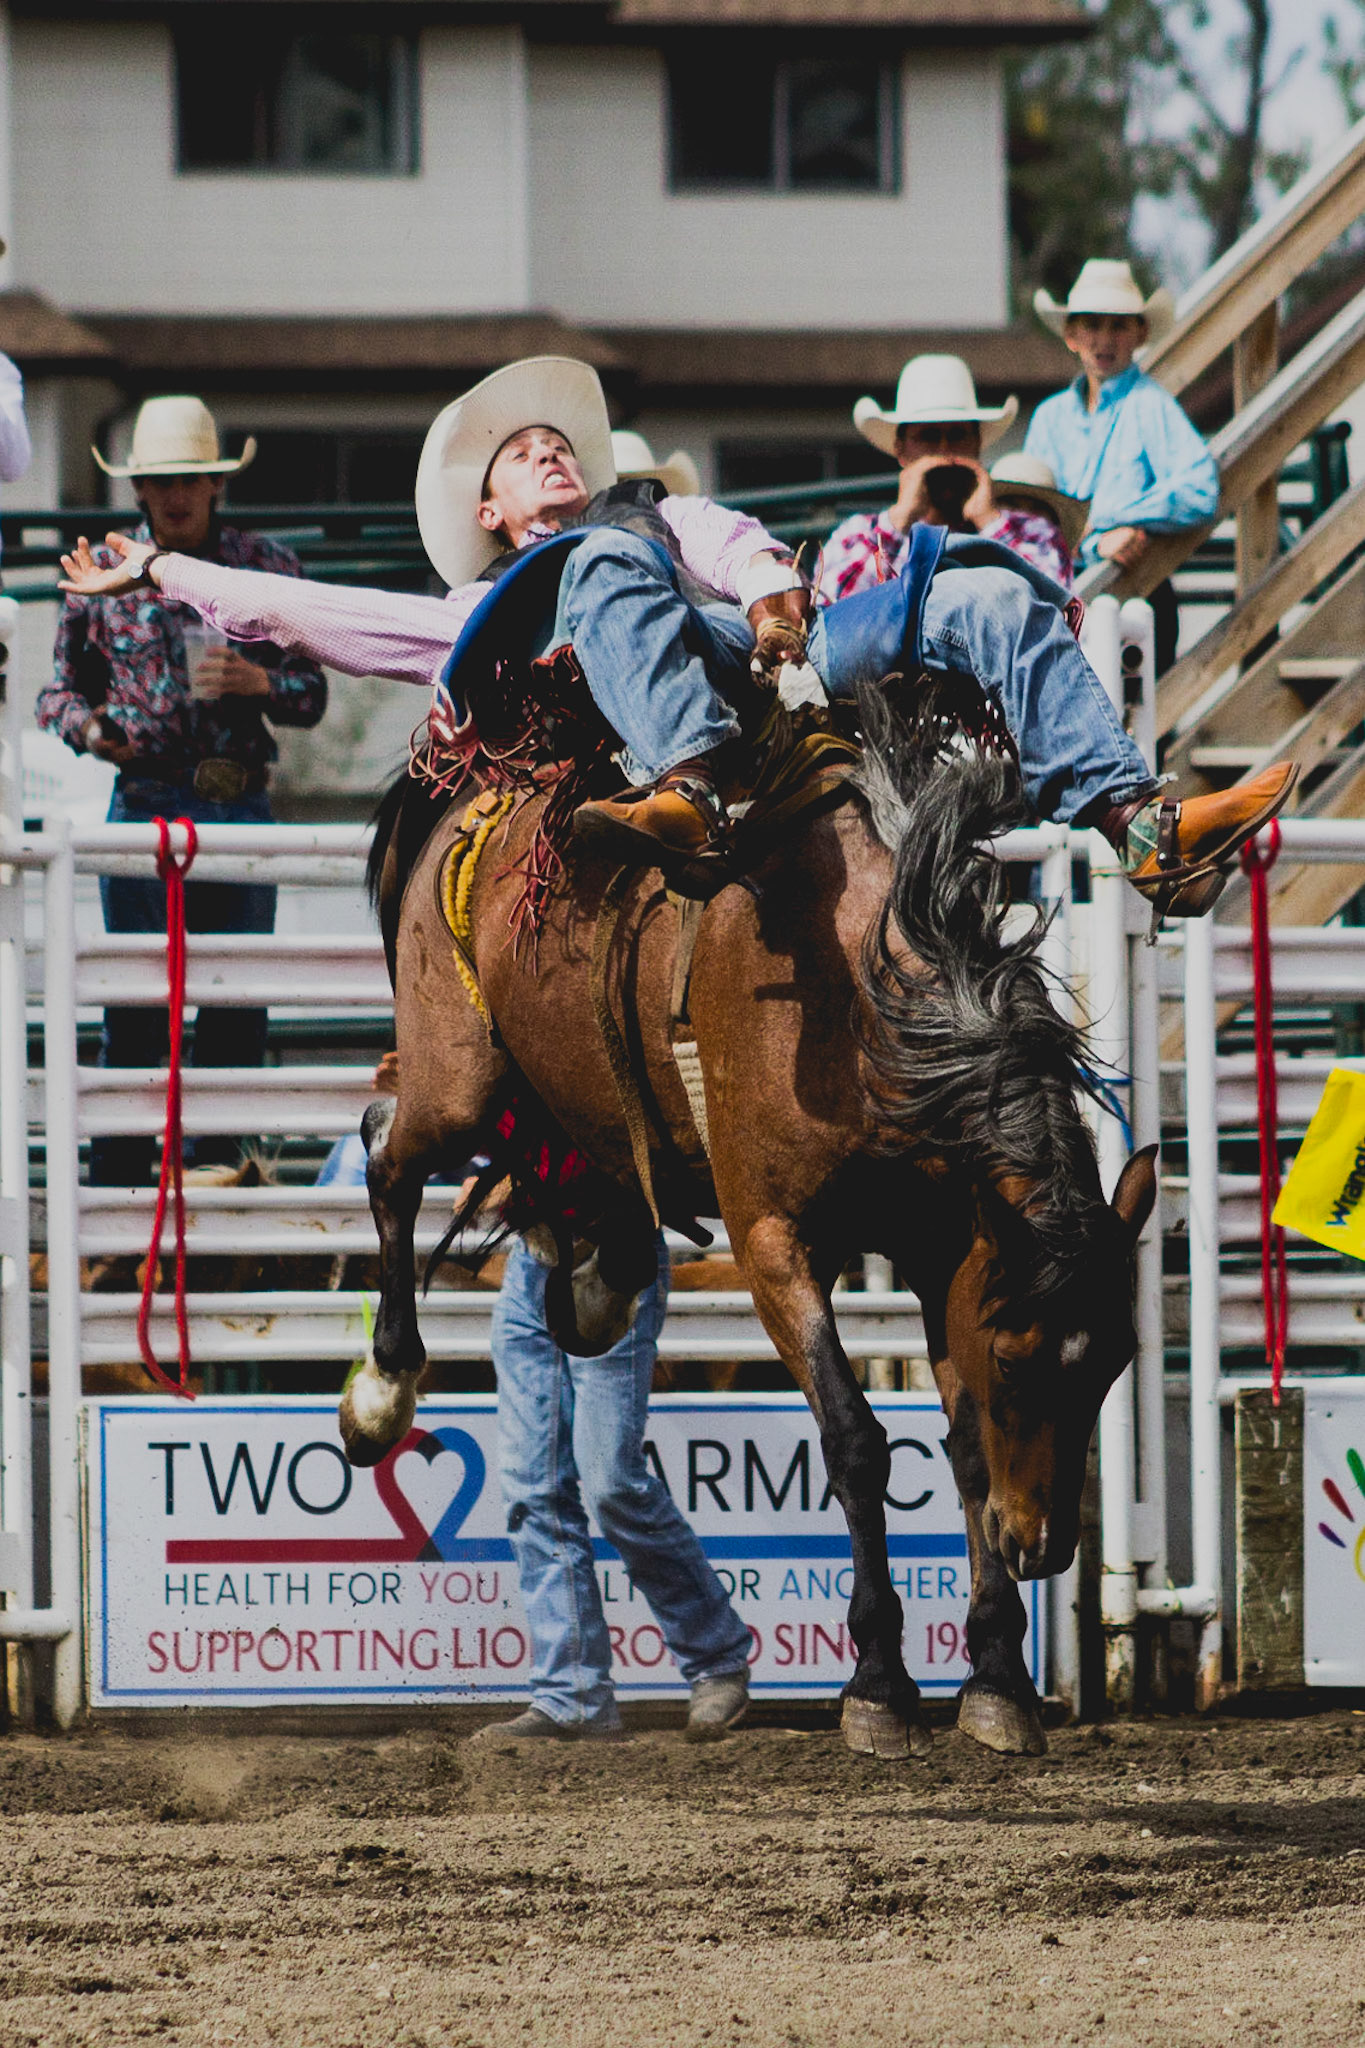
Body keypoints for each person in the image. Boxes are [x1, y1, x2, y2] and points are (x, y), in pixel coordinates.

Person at [57, 353, 1293, 927]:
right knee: (598, 562)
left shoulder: (645, 512)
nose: (549, 451)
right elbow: (310, 615)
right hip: (673, 707)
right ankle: (688, 786)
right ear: (488, 512)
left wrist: (771, 599)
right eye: (521, 454)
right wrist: (162, 566)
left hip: (770, 662)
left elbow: (731, 537)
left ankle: (1136, 821)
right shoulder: (477, 612)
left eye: (557, 442)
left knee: (972, 582)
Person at [37, 396, 328, 1185]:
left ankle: (221, 1190)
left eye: (188, 479)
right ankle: (120, 1192)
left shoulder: (267, 568)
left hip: (238, 802)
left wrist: (259, 682)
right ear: (138, 488)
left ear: (215, 484)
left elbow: (310, 695)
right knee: (136, 1004)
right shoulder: (101, 572)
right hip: (146, 799)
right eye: (160, 480)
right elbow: (57, 694)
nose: (174, 494)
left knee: (237, 1003)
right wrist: (92, 731)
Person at [484, 1231, 752, 1742]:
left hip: (612, 1258)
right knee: (532, 1490)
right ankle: (570, 1694)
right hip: (533, 1263)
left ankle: (715, 1659)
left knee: (611, 1484)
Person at [1026, 258, 1220, 669]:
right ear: (1072, 335)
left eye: (1118, 326)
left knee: (1141, 703)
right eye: (1092, 325)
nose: (1104, 340)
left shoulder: (1151, 405)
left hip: (1137, 591)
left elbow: (1200, 490)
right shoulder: (1049, 417)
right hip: (1061, 598)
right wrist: (1096, 538)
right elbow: (1033, 514)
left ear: (1140, 334)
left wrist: (1103, 518)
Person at [819, 355, 1074, 601]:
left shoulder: (1033, 532)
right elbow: (833, 606)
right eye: (929, 437)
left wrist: (990, 523)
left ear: (977, 444)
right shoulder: (857, 534)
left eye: (957, 435)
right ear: (901, 450)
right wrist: (898, 522)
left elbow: (1057, 604)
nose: (944, 452)